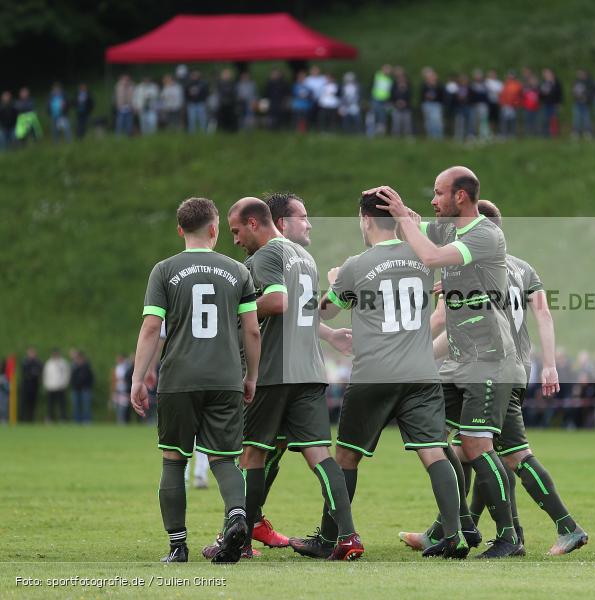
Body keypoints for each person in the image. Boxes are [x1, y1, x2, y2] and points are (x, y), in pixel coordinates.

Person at [404, 199, 588, 556]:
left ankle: (473, 529)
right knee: (502, 452)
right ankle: (552, 527)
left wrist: (409, 354)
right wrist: (548, 364)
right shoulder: (523, 268)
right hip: (512, 367)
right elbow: (543, 314)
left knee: (463, 444)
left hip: (482, 366)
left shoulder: (469, 264)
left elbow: (444, 320)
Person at [373, 167, 522, 558]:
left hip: (489, 359)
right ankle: (460, 527)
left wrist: (405, 218)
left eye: (439, 193)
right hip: (460, 361)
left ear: (461, 196)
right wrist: (397, 210)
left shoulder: (484, 233)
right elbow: (415, 229)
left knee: (477, 445)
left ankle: (509, 537)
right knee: (434, 437)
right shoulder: (449, 230)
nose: (433, 200)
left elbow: (430, 255)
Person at [314, 192, 467, 559]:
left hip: (374, 373)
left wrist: (335, 282)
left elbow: (325, 312)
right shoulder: (422, 256)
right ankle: (455, 534)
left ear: (365, 220)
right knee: (434, 452)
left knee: (346, 457)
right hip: (421, 373)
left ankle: (331, 538)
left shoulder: (356, 265)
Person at [223, 197, 362, 561]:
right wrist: (330, 335)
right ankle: (348, 536)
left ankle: (240, 543)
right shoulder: (305, 258)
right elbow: (303, 311)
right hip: (310, 372)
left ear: (254, 223)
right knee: (320, 456)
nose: (235, 240)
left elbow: (278, 302)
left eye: (236, 231)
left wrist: (233, 310)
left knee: (252, 453)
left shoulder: (267, 255)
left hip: (272, 372)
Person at [130, 197, 261, 564]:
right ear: (215, 229)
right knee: (224, 460)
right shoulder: (238, 272)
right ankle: (237, 516)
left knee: (174, 460)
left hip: (179, 379)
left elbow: (152, 328)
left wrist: (138, 378)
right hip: (225, 378)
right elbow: (251, 330)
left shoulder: (164, 271)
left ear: (180, 230)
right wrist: (251, 376)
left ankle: (178, 546)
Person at [43, 349, 71, 422]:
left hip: (61, 387)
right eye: (54, 354)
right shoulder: (49, 363)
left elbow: (67, 374)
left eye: (57, 354)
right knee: (50, 404)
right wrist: (47, 385)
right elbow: (45, 375)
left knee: (62, 404)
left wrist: (64, 384)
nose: (55, 355)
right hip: (51, 387)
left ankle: (63, 418)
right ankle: (50, 418)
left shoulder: (63, 363)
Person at [419, 67, 444, 140]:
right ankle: (431, 136)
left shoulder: (439, 85)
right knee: (428, 121)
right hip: (426, 104)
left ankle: (438, 136)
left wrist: (434, 86)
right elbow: (422, 94)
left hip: (436, 104)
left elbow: (442, 94)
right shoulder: (424, 85)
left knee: (436, 120)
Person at [70, 350, 94, 424]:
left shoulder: (86, 366)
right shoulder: (74, 366)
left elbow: (91, 377)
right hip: (76, 389)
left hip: (85, 389)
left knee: (86, 406)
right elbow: (72, 378)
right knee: (76, 406)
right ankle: (77, 421)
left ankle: (87, 420)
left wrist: (88, 386)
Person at [20, 348, 42, 422]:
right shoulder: (25, 362)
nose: (32, 355)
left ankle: (30, 419)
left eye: (33, 353)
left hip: (34, 386)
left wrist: (32, 374)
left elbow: (38, 372)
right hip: (26, 386)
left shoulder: (38, 362)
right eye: (30, 353)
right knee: (24, 403)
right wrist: (32, 374)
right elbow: (25, 374)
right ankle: (23, 419)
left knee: (32, 404)